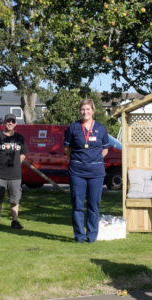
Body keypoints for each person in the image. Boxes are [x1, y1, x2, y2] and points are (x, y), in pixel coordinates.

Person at [64, 99, 110, 243]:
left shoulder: (101, 128)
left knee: (93, 205)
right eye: (83, 109)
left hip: (96, 172)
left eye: (88, 109)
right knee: (77, 205)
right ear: (80, 111)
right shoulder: (73, 127)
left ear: (93, 110)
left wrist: (93, 160)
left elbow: (105, 149)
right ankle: (79, 235)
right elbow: (67, 149)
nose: (85, 112)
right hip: (77, 171)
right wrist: (80, 160)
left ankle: (91, 236)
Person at [0, 114, 28, 230]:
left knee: (15, 200)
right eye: (8, 121)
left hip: (15, 175)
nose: (10, 123)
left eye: (12, 121)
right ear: (4, 122)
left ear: (15, 123)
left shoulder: (19, 138)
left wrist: (16, 163)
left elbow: (23, 153)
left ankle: (15, 221)